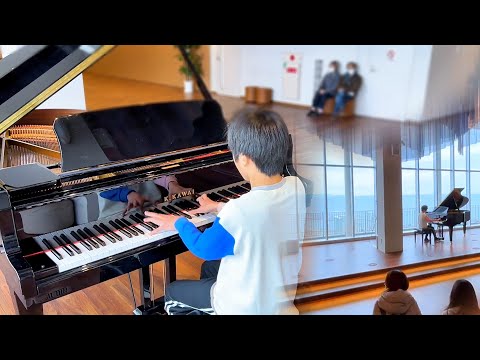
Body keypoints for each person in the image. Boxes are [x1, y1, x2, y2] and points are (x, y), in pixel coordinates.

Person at [144, 109, 306, 315]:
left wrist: (178, 222)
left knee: (173, 292)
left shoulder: (238, 212)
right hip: (279, 293)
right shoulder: (295, 186)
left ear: (245, 159)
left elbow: (203, 248)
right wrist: (218, 207)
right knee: (209, 268)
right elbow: (259, 217)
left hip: (244, 306)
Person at [98, 175, 190, 218]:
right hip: (117, 215)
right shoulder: (100, 154)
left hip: (152, 207)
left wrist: (172, 184)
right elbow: (101, 187)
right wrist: (127, 194)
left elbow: (156, 169)